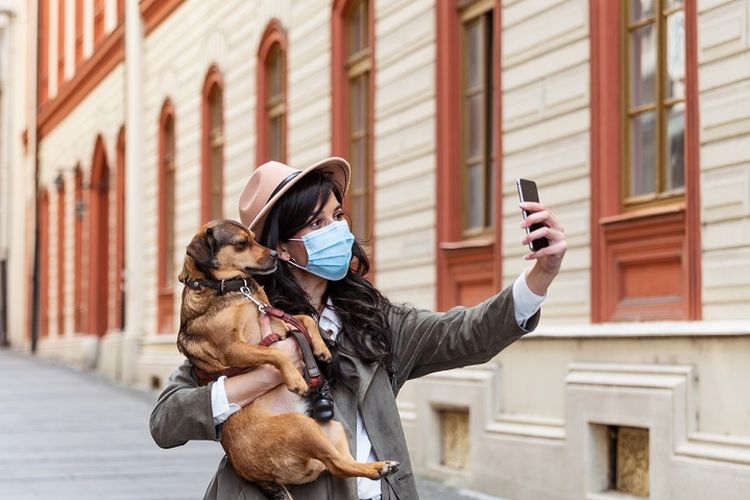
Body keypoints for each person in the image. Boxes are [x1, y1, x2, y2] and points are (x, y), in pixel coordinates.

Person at [150, 157, 567, 500]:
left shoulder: (374, 319)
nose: (336, 231)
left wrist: (540, 277)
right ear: (279, 247)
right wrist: (263, 375)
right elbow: (166, 421)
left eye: (338, 216)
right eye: (316, 224)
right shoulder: (238, 321)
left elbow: (466, 333)